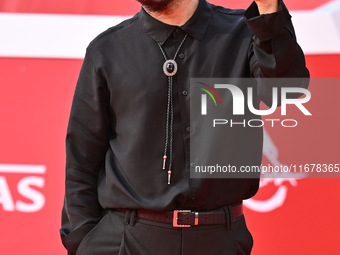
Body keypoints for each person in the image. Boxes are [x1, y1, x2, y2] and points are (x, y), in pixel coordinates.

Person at [60, 0, 309, 254]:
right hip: (125, 240)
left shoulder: (243, 33)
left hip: (219, 240)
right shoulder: (108, 49)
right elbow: (82, 156)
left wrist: (269, 7)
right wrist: (82, 240)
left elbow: (283, 93)